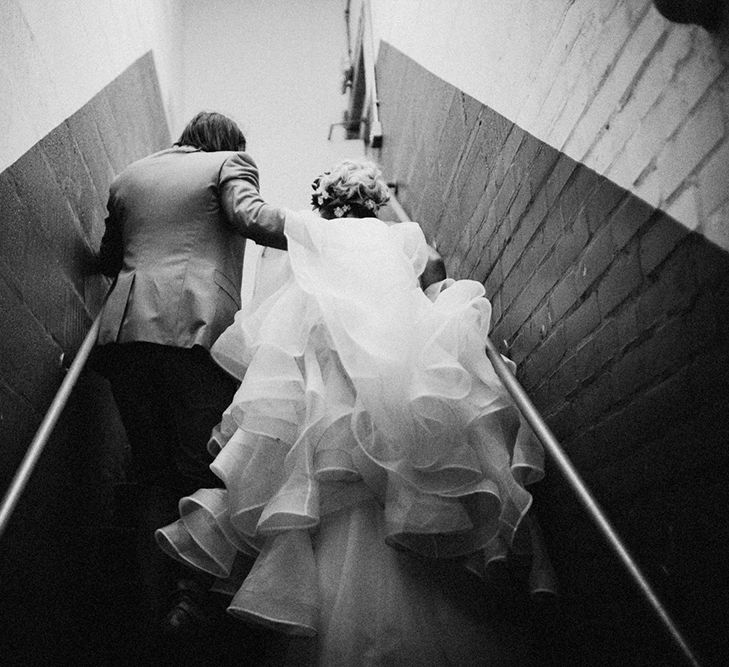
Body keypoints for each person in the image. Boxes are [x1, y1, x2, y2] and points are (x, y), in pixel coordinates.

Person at [155, 157, 551, 664]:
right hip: (402, 391)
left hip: (335, 400)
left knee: (336, 503)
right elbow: (429, 283)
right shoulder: (408, 242)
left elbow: (266, 247)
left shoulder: (313, 237)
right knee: (404, 488)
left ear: (327, 205)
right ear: (374, 202)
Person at [90, 111, 288, 645]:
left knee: (151, 469)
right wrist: (324, 235)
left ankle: (145, 602)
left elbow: (110, 258)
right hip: (193, 330)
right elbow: (250, 216)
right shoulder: (229, 163)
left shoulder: (128, 177)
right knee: (202, 465)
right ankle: (190, 596)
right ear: (226, 145)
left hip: (126, 334)